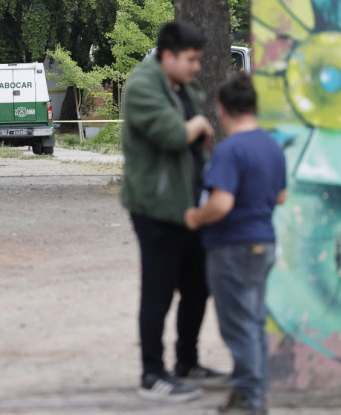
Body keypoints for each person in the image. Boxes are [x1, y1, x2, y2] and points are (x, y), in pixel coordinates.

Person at [120, 21, 228, 402]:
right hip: (156, 208)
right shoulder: (142, 86)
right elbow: (171, 134)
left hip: (189, 205)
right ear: (168, 56)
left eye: (199, 59)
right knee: (159, 290)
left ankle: (188, 362)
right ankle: (152, 374)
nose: (197, 66)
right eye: (191, 59)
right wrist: (198, 123)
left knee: (199, 285)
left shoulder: (179, 85)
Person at [185, 73, 286, 415]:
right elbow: (282, 196)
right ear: (255, 108)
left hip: (233, 246)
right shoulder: (271, 145)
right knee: (254, 321)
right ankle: (253, 393)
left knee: (238, 326)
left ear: (223, 110)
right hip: (264, 243)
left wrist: (197, 216)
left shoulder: (230, 149)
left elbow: (222, 203)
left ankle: (248, 399)